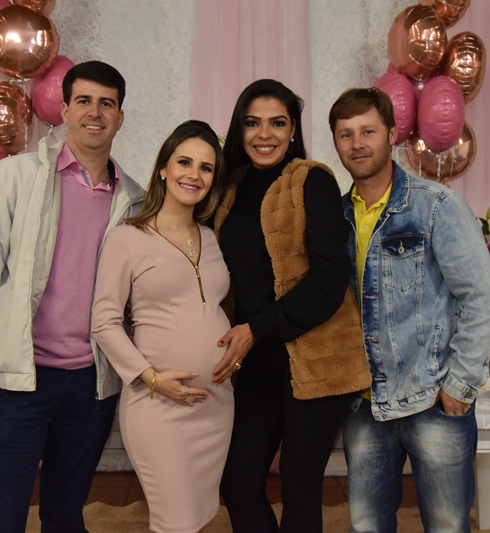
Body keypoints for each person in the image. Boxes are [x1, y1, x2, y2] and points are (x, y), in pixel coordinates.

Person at [0, 61, 145, 533]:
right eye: (84, 101)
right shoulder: (10, 179)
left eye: (107, 103)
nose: (95, 112)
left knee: (65, 516)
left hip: (90, 387)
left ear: (120, 117)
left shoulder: (135, 200)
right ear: (64, 110)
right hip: (17, 382)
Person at [328, 87, 490, 533]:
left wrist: (459, 386)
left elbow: (485, 299)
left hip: (432, 399)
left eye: (368, 131)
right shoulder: (334, 217)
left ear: (392, 134)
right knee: (367, 525)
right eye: (346, 134)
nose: (357, 143)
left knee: (447, 526)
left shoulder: (436, 206)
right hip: (364, 405)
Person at [212, 79, 372, 533]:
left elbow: (328, 281)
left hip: (319, 358)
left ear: (293, 129)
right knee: (238, 483)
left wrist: (255, 328)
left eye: (277, 123)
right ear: (239, 129)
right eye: (253, 123)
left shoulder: (312, 180)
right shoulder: (229, 189)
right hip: (258, 360)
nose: (265, 134)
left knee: (300, 489)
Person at [91, 120, 232, 532]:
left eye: (206, 168)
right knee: (176, 521)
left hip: (216, 405)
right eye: (184, 162)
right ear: (164, 169)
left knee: (200, 515)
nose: (194, 175)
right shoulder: (128, 238)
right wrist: (151, 378)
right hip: (158, 406)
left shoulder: (212, 236)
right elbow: (104, 322)